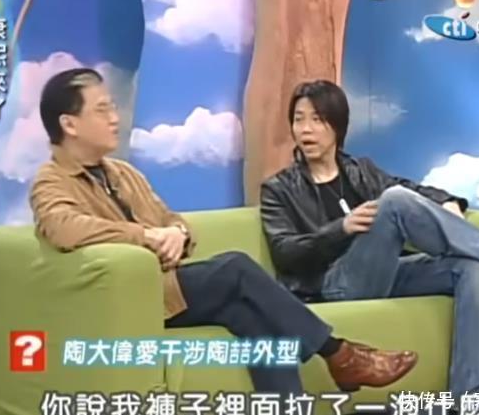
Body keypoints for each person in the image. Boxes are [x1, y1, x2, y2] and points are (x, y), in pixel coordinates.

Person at [29, 68, 419, 398]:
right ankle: (339, 353)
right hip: (133, 298)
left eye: (113, 107)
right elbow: (64, 227)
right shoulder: (51, 181)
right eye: (102, 109)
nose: (115, 117)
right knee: (235, 268)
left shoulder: (123, 173)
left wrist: (176, 233)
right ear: (69, 124)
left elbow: (174, 220)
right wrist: (146, 236)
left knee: (256, 321)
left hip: (168, 287)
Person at [259, 80, 479, 406]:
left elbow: (411, 190)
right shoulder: (279, 189)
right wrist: (342, 228)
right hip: (331, 285)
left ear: (338, 125)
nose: (306, 129)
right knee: (394, 201)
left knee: (472, 268)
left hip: (385, 273)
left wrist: (447, 200)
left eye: (317, 119)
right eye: (299, 119)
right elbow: (285, 253)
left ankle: (476, 397)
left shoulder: (359, 171)